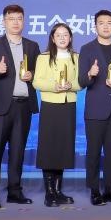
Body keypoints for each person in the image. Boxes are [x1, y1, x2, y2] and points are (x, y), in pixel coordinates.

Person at [0, 4, 40, 208]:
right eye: (11, 18)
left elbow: (39, 74)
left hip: (23, 106)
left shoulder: (32, 46)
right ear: (4, 21)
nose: (16, 22)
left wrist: (32, 75)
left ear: (24, 21)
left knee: (18, 151)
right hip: (0, 107)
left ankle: (15, 191)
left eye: (19, 18)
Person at [78, 10, 111, 205]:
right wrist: (90, 74)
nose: (106, 26)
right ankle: (94, 190)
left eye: (109, 23)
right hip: (95, 109)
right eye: (101, 23)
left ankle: (109, 189)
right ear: (95, 26)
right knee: (93, 152)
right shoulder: (87, 49)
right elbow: (82, 81)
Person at [32, 22, 80, 207]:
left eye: (65, 34)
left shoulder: (76, 57)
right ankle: (49, 193)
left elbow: (80, 82)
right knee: (49, 148)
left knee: (63, 148)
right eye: (58, 35)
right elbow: (37, 82)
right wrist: (55, 86)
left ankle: (58, 191)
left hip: (68, 105)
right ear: (52, 38)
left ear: (70, 38)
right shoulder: (44, 57)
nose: (62, 38)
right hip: (50, 105)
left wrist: (70, 85)